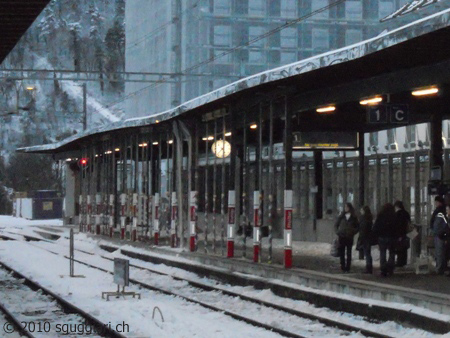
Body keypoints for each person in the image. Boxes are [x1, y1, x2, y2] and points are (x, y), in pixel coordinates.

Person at [373, 203, 397, 276]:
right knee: (392, 252)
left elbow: (376, 227)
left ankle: (383, 269)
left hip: (382, 237)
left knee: (382, 253)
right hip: (392, 237)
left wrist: (376, 235)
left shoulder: (380, 216)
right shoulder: (394, 216)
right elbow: (397, 227)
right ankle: (390, 267)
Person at [334, 203, 359, 273]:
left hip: (349, 236)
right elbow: (336, 225)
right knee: (341, 252)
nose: (345, 208)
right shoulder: (341, 216)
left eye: (347, 207)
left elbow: (357, 226)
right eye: (345, 207)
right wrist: (338, 232)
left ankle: (348, 267)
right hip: (342, 236)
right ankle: (342, 266)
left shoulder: (354, 217)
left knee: (349, 252)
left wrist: (353, 232)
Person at [432, 204, 450, 275]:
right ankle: (440, 269)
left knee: (440, 253)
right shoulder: (443, 217)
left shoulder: (442, 216)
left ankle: (440, 269)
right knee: (441, 253)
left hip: (441, 236)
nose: (447, 211)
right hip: (442, 237)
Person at [394, 201, 411, 267]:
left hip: (399, 233)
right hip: (406, 233)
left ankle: (399, 262)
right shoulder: (406, 213)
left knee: (399, 248)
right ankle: (404, 261)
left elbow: (397, 225)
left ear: (396, 206)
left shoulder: (397, 214)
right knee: (404, 248)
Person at [359, 206, 374, 274]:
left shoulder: (364, 219)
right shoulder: (369, 218)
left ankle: (368, 267)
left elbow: (363, 229)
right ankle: (369, 267)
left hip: (365, 237)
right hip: (368, 237)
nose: (360, 212)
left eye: (361, 210)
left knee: (367, 253)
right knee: (368, 253)